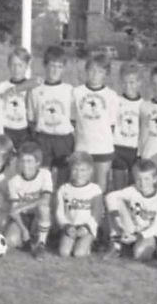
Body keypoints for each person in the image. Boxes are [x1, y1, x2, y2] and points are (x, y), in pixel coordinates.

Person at [72, 52, 121, 193]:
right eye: (92, 70)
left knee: (100, 187)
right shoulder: (77, 92)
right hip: (83, 147)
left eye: (100, 71)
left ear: (105, 74)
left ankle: (99, 214)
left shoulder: (111, 96)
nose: (95, 74)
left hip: (103, 148)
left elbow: (112, 125)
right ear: (86, 70)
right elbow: (73, 121)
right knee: (82, 186)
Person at [29, 44, 78, 182]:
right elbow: (32, 118)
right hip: (43, 138)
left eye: (59, 66)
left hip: (63, 139)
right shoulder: (36, 90)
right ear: (45, 65)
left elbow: (73, 118)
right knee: (42, 178)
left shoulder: (69, 90)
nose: (55, 70)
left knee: (64, 179)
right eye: (52, 66)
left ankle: (60, 203)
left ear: (63, 68)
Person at [105, 158, 157, 261]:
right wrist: (118, 222)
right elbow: (110, 197)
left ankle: (135, 247)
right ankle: (116, 241)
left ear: (155, 179)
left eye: (147, 179)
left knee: (140, 255)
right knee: (117, 200)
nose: (142, 183)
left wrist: (138, 237)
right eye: (139, 179)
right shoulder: (132, 190)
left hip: (148, 233)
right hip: (132, 229)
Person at [2, 141, 56, 257]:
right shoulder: (13, 181)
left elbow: (45, 199)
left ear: (38, 162)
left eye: (29, 161)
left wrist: (23, 206)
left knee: (44, 208)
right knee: (10, 241)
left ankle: (41, 243)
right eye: (23, 161)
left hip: (38, 215)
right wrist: (23, 229)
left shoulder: (45, 174)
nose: (26, 165)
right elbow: (14, 211)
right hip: (22, 217)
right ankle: (28, 238)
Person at [54, 152, 105, 259]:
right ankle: (67, 240)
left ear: (90, 171)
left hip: (87, 228)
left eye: (83, 170)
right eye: (75, 170)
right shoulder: (64, 189)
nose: (79, 173)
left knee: (79, 253)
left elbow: (97, 213)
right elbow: (59, 212)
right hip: (71, 226)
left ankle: (91, 242)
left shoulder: (95, 189)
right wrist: (67, 226)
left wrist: (87, 227)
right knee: (64, 253)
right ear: (70, 170)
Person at [110, 62, 148, 191]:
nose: (128, 86)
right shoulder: (116, 101)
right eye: (124, 82)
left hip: (135, 150)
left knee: (134, 189)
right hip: (118, 148)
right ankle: (115, 210)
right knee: (118, 189)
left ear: (139, 83)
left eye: (132, 82)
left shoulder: (144, 105)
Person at [0, 47, 38, 150]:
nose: (16, 69)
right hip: (6, 130)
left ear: (27, 66)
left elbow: (38, 81)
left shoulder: (31, 87)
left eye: (20, 65)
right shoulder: (1, 87)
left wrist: (15, 89)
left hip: (24, 131)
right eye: (13, 65)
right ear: (8, 65)